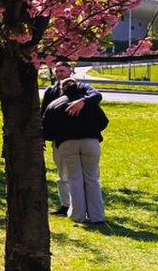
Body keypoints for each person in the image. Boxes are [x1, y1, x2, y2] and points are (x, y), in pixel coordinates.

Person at [41, 78, 107, 224]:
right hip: (90, 141)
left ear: (61, 90)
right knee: (92, 178)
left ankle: (77, 214)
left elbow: (46, 130)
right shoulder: (88, 102)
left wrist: (57, 136)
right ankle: (97, 216)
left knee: (74, 178)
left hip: (67, 143)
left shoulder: (54, 105)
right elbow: (104, 122)